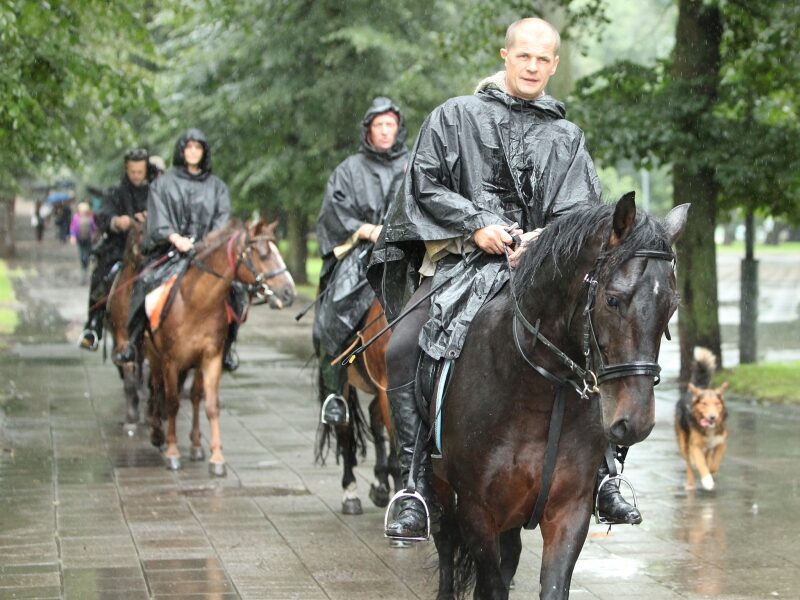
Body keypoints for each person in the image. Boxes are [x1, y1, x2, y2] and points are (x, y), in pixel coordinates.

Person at [369, 18, 641, 540]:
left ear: (554, 65)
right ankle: (414, 481)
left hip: (543, 273)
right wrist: (476, 227)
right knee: (403, 345)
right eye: (524, 56)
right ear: (506, 55)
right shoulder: (455, 117)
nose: (533, 66)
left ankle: (604, 472)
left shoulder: (567, 138)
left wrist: (542, 241)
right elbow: (424, 185)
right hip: (464, 264)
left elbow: (583, 211)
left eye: (543, 59)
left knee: (600, 335)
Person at [113, 129, 242, 371]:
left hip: (206, 254)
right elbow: (158, 218)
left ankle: (228, 347)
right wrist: (175, 237)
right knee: (145, 282)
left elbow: (222, 221)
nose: (193, 152)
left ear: (204, 152)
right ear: (181, 151)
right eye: (189, 147)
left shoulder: (218, 187)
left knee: (235, 290)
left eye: (198, 147)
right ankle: (133, 341)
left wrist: (207, 244)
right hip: (170, 250)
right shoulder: (162, 184)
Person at [313, 97, 408, 421]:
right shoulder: (349, 170)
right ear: (368, 130)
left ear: (398, 128)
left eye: (390, 125)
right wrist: (365, 229)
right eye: (379, 125)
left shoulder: (414, 165)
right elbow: (334, 213)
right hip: (362, 252)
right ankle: (333, 395)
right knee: (335, 309)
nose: (385, 131)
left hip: (406, 251)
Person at [79, 148, 150, 350]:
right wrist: (117, 221)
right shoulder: (115, 192)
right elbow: (102, 217)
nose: (136, 175)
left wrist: (149, 219)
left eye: (140, 171)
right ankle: (93, 325)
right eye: (133, 171)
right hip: (119, 249)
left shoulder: (155, 193)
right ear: (127, 169)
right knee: (101, 277)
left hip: (150, 249)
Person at [69, 202, 97, 282]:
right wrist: (73, 236)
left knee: (87, 254)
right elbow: (73, 228)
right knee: (82, 254)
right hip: (80, 239)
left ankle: (86, 267)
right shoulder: (76, 218)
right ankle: (83, 267)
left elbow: (94, 228)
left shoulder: (90, 218)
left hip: (88, 240)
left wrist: (94, 235)